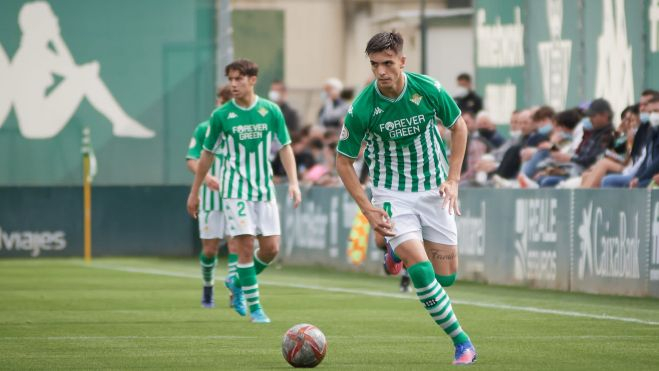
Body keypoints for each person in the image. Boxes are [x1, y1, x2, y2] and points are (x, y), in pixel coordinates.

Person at [335, 31, 476, 365]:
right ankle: (462, 342)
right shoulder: (362, 108)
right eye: (374, 65)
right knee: (421, 270)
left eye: (387, 63)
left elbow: (459, 127)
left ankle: (393, 252)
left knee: (447, 278)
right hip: (391, 194)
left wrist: (453, 178)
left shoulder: (427, 88)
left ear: (402, 61)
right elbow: (343, 162)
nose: (381, 71)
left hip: (433, 190)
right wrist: (368, 208)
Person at [187, 59, 302, 324]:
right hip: (234, 190)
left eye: (238, 79)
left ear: (252, 80)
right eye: (230, 79)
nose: (233, 84)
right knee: (246, 245)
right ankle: (256, 309)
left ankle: (237, 281)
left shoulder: (270, 110)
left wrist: (294, 182)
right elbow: (205, 156)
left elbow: (285, 147)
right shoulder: (221, 116)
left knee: (271, 249)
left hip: (263, 189)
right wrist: (195, 191)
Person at [7, 1, 154, 139]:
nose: (55, 19)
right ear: (39, 24)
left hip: (36, 124)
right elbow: (73, 71)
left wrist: (56, 37)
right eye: (51, 16)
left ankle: (121, 121)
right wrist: (56, 38)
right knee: (85, 76)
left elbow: (71, 70)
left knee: (85, 75)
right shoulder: (34, 53)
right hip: (37, 124)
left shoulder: (34, 51)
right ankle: (120, 122)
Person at [186, 85, 239, 308]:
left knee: (237, 245)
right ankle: (208, 287)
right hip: (210, 199)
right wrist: (206, 178)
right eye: (221, 100)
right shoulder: (204, 128)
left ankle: (236, 291)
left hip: (236, 194)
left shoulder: (240, 126)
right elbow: (191, 158)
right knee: (210, 249)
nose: (222, 104)